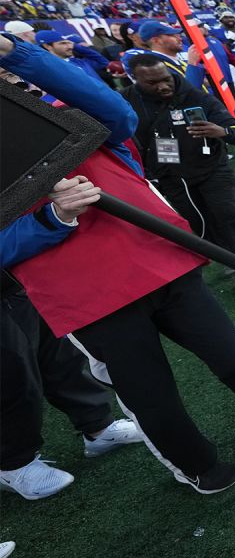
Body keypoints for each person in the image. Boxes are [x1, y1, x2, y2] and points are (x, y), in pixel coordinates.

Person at [0, 32, 235, 494]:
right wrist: (53, 217)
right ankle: (197, 463)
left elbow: (119, 114)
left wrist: (18, 54)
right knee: (152, 395)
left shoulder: (76, 123)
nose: (18, 91)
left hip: (159, 261)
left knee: (232, 353)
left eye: (17, 83)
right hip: (89, 299)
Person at [2, 178, 144, 501]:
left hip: (11, 277)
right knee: (10, 370)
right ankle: (13, 463)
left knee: (56, 351)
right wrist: (51, 219)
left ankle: (96, 425)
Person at [122, 53, 235, 289]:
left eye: (165, 79)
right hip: (170, 175)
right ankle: (223, 256)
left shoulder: (194, 94)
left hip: (212, 167)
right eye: (153, 83)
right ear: (134, 80)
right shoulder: (124, 100)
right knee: (194, 223)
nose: (163, 86)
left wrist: (222, 132)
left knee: (227, 214)